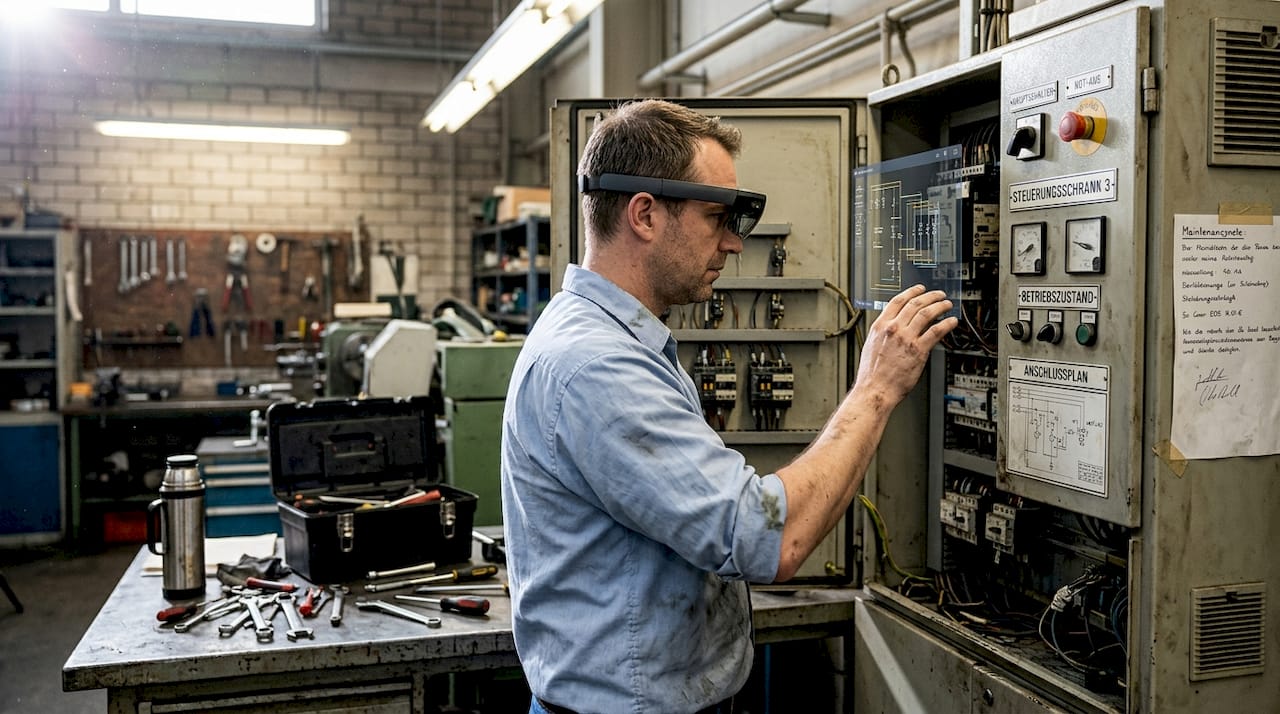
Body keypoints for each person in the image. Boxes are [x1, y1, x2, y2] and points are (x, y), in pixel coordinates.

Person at [500, 98, 957, 714]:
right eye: (718, 217)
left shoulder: (617, 340)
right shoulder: (597, 366)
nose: (734, 244)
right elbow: (772, 539)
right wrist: (875, 388)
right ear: (644, 214)